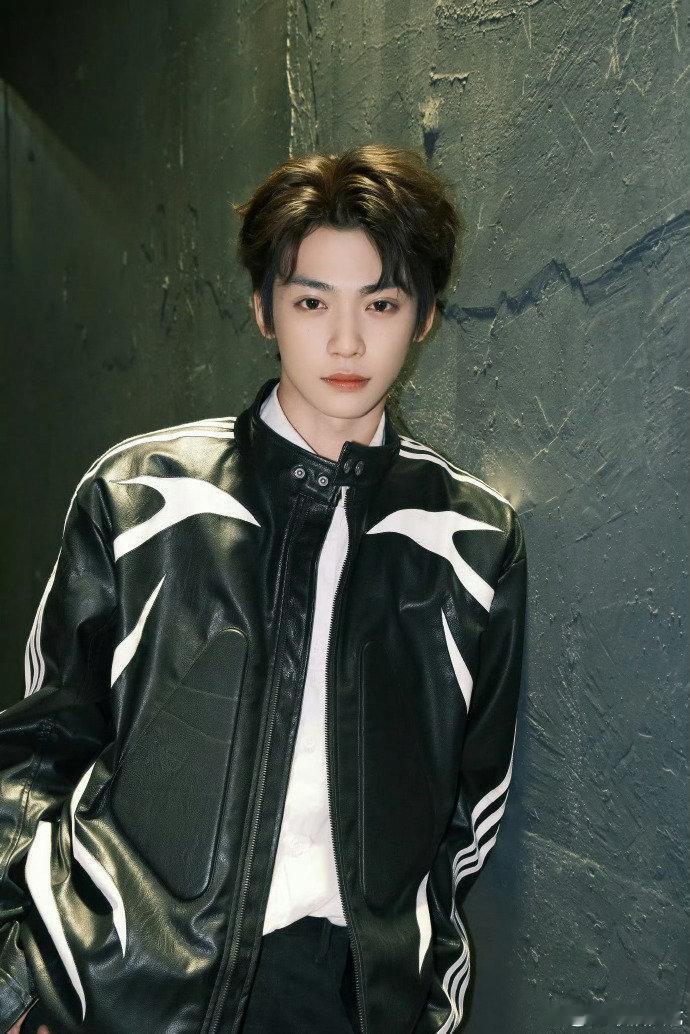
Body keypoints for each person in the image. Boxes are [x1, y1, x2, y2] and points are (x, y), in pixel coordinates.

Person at [1, 144, 527, 1034]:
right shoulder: (138, 496)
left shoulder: (473, 541)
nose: (347, 342)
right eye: (312, 302)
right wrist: (23, 978)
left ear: (425, 317)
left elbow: (467, 815)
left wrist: (425, 1001)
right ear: (263, 309)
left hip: (340, 1001)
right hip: (120, 987)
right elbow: (37, 749)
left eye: (382, 304)